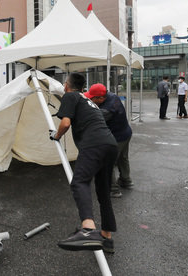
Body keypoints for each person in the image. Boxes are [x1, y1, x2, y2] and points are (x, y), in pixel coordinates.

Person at [50, 73, 118, 253]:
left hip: (93, 144)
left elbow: (65, 124)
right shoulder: (88, 101)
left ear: (67, 85)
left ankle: (88, 230)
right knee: (103, 193)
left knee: (79, 181)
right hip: (110, 144)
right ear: (83, 88)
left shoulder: (70, 96)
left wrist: (55, 136)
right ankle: (106, 237)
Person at [84, 83, 133, 199]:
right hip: (126, 132)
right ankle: (126, 181)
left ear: (101, 98)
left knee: (107, 163)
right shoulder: (111, 95)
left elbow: (93, 119)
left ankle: (113, 190)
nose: (91, 100)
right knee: (123, 158)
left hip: (117, 138)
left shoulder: (107, 109)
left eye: (93, 98)